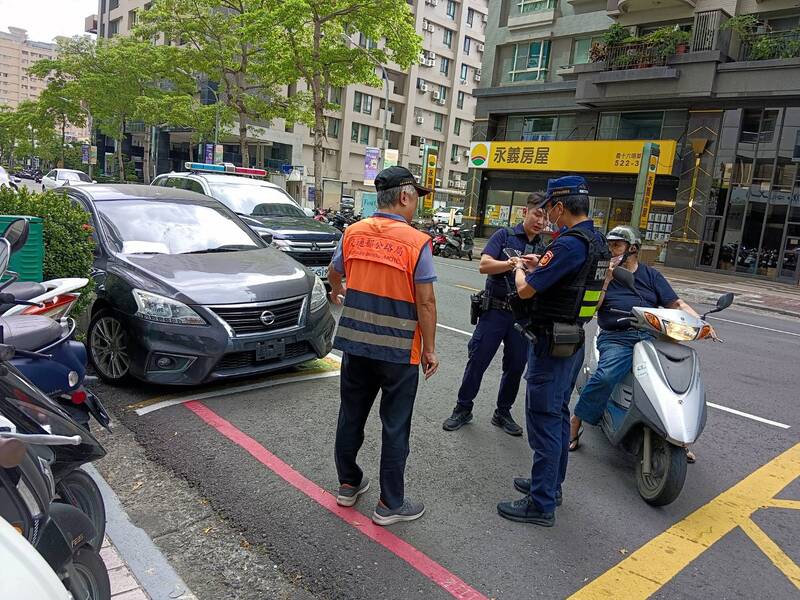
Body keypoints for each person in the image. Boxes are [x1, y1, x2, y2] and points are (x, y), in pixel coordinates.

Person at [328, 166, 440, 527]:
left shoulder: (353, 232)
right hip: (398, 351)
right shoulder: (416, 242)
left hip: (356, 345)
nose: (417, 206)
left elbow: (334, 272)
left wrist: (336, 292)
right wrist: (430, 349)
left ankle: (348, 484)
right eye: (416, 198)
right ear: (404, 196)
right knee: (395, 427)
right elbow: (425, 302)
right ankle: (389, 504)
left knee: (351, 415)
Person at [497, 175, 610, 527]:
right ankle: (550, 485)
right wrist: (540, 267)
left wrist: (519, 268)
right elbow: (573, 283)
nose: (550, 217)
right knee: (559, 416)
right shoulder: (597, 241)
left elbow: (528, 291)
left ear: (560, 207)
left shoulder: (568, 245)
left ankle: (541, 503)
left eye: (551, 210)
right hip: (572, 338)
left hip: (551, 343)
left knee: (544, 420)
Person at [569, 225, 712, 462]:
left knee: (677, 378)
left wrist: (701, 322)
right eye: (609, 245)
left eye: (616, 245)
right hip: (617, 336)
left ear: (632, 249)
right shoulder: (603, 273)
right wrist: (605, 280)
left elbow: (675, 304)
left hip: (652, 336)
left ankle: (678, 435)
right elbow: (593, 308)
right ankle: (577, 421)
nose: (611, 250)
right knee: (605, 376)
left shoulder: (651, 275)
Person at [443, 195, 547, 435]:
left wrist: (537, 265)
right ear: (525, 212)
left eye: (546, 217)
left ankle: (503, 412)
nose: (541, 221)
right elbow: (484, 265)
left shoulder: (544, 248)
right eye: (537, 214)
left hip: (522, 318)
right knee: (478, 360)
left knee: (515, 366)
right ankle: (463, 408)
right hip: (494, 311)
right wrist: (512, 264)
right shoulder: (504, 235)